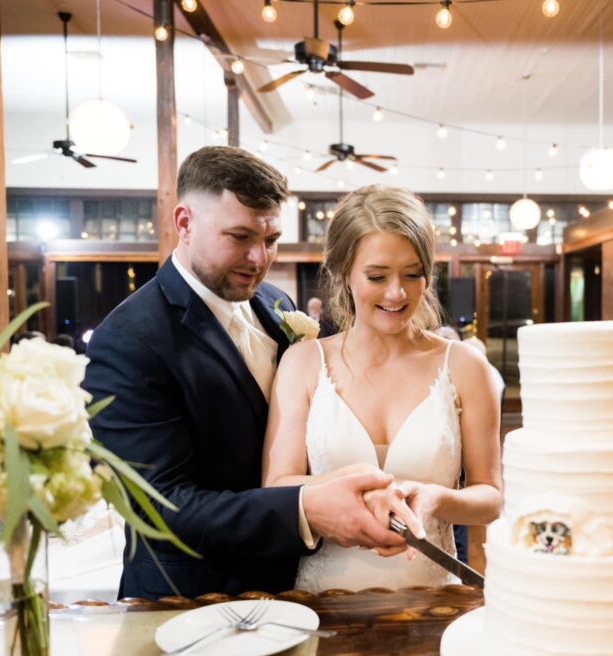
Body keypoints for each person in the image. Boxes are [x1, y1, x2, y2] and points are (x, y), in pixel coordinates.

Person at [83, 147, 405, 599]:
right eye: (238, 236)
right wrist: (304, 508)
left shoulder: (277, 304)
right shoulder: (129, 340)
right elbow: (161, 504)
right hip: (191, 597)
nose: (258, 258)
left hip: (295, 587)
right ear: (184, 223)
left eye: (271, 239)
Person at [263, 184, 502, 592]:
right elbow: (276, 488)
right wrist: (345, 490)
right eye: (377, 276)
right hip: (325, 601)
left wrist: (437, 499)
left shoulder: (464, 366)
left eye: (413, 275)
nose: (398, 293)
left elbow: (491, 498)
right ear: (344, 273)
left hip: (433, 599)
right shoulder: (303, 363)